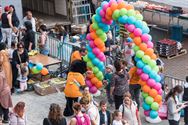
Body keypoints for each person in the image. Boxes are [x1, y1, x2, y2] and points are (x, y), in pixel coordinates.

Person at [0, 56, 13, 123]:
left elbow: (0, 87)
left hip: (3, 92)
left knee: (3, 106)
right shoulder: (2, 70)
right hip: (6, 91)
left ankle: (3, 119)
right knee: (5, 105)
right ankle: (6, 119)